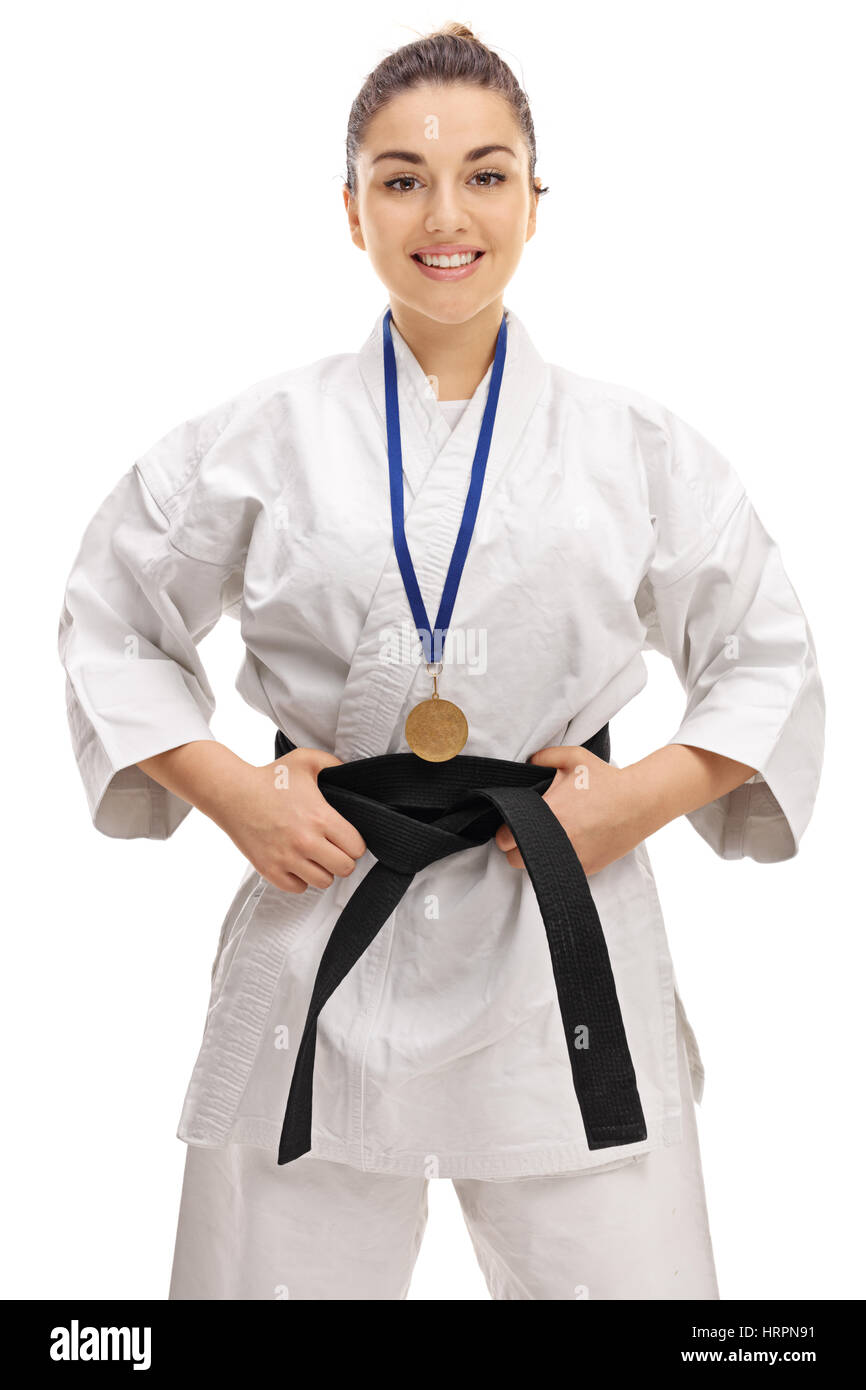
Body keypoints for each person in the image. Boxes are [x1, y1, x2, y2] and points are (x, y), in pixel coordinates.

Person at [57, 22, 825, 1301]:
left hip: (553, 917)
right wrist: (232, 792)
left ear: (535, 198)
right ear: (350, 210)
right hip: (326, 899)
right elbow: (109, 615)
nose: (444, 212)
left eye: (484, 172)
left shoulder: (634, 445)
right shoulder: (254, 438)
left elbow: (766, 650)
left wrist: (638, 798)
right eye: (401, 178)